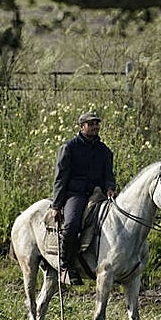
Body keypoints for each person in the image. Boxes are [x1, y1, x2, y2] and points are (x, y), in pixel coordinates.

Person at [51, 111, 116, 286]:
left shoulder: (104, 151)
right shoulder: (69, 148)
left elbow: (108, 175)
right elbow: (60, 178)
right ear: (82, 127)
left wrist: (110, 188)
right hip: (75, 194)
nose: (95, 127)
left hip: (97, 194)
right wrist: (56, 206)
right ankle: (65, 264)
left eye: (97, 124)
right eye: (91, 124)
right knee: (71, 225)